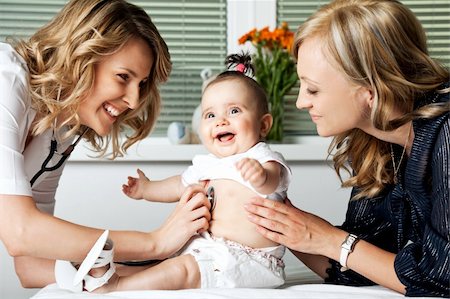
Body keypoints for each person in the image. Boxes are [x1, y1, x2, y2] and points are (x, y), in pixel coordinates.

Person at [244, 0, 450, 297]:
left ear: (371, 89)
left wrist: (328, 239)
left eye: (313, 88)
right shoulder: (375, 141)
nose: (301, 102)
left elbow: (439, 278)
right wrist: (280, 220)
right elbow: (360, 260)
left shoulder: (445, 133)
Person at [0, 0, 211, 290]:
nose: (134, 101)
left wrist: (161, 271)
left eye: (141, 84)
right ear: (80, 55)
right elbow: (19, 232)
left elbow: (31, 264)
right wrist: (154, 243)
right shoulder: (7, 78)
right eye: (123, 77)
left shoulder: (60, 133)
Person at [81, 52, 291, 292]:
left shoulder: (261, 157)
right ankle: (116, 273)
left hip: (250, 260)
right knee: (167, 265)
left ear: (263, 124)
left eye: (234, 111)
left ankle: (117, 287)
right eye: (210, 115)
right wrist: (147, 189)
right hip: (207, 250)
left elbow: (274, 183)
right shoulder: (207, 164)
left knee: (182, 270)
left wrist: (261, 176)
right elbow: (179, 185)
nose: (221, 121)